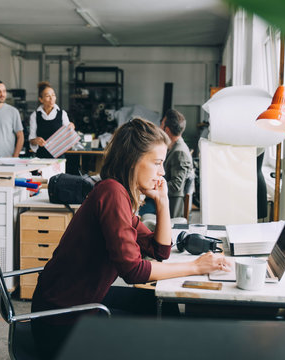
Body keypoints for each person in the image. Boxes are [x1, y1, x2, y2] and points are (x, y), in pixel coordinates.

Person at [31, 118, 231, 358]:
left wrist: (163, 201)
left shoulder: (119, 194)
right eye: (157, 163)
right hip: (61, 324)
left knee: (161, 307)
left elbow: (160, 252)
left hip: (79, 303)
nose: (163, 172)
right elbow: (133, 271)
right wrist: (195, 267)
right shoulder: (112, 193)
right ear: (133, 160)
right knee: (160, 328)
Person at [160, 109, 195, 218]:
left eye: (161, 125)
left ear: (167, 130)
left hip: (174, 206)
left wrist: (154, 187)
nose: (159, 128)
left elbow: (176, 185)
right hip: (169, 200)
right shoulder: (174, 147)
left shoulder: (179, 152)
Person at [28, 81, 74, 158]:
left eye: (53, 95)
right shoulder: (35, 115)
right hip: (41, 157)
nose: (51, 98)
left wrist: (71, 127)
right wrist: (36, 140)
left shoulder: (62, 114)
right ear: (41, 99)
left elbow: (68, 134)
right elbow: (31, 139)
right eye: (47, 96)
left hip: (58, 156)